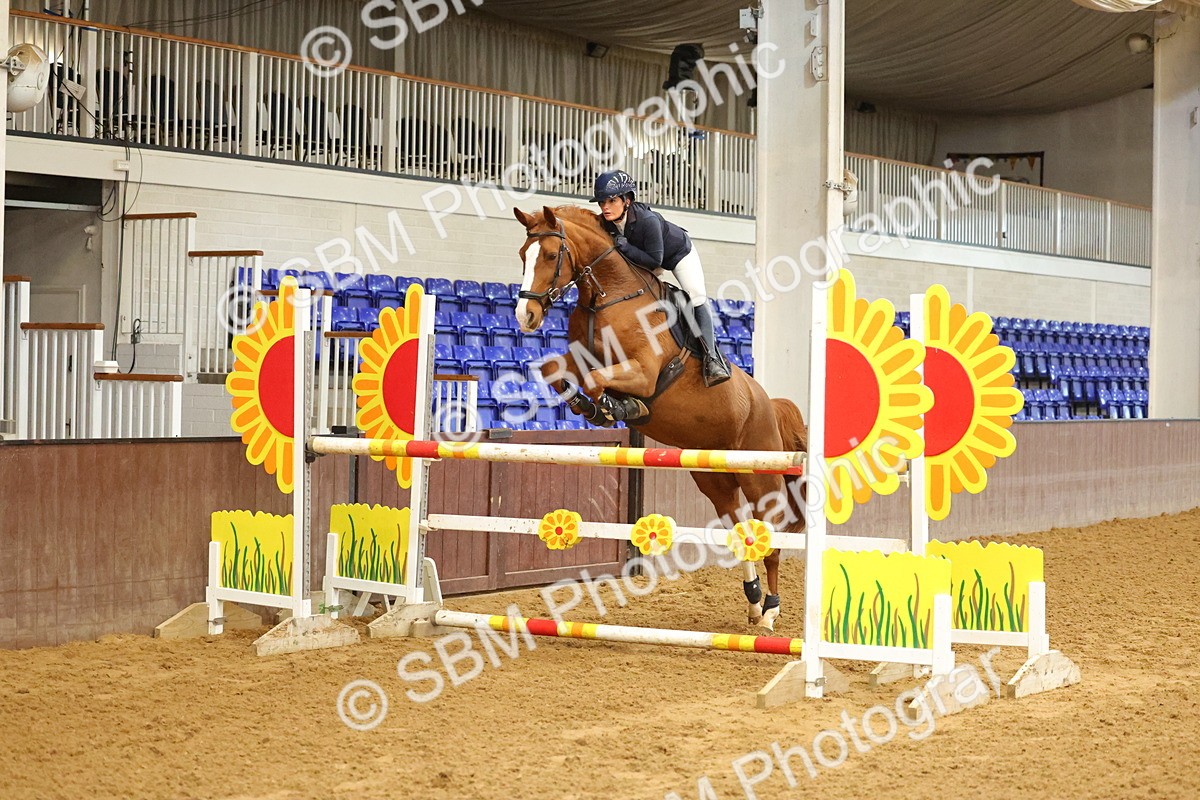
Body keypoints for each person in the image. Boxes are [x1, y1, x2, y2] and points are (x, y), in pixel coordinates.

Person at [590, 169, 731, 387]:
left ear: (627, 200)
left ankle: (712, 359)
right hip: (644, 257)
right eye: (601, 202)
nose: (605, 207)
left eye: (611, 201)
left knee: (696, 295)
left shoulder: (648, 220)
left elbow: (655, 261)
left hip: (676, 254)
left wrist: (626, 248)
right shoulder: (606, 221)